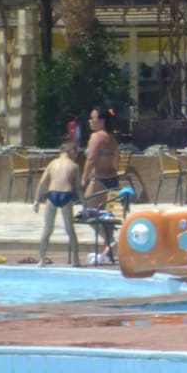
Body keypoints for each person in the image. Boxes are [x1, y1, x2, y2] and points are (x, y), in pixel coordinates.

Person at [33, 142, 82, 266]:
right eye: (76, 154)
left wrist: (36, 201)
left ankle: (41, 260)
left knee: (47, 229)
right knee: (70, 230)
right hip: (66, 194)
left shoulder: (52, 164)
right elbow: (78, 187)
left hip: (52, 194)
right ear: (72, 152)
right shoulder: (74, 166)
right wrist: (85, 205)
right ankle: (76, 260)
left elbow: (42, 183)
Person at [81, 106, 120, 261]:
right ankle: (109, 252)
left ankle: (110, 241)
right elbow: (116, 161)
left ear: (102, 121)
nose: (90, 121)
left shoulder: (96, 137)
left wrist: (84, 179)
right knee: (106, 217)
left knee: (87, 213)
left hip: (99, 179)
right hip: (113, 180)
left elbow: (91, 159)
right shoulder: (112, 139)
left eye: (93, 118)